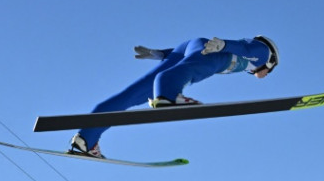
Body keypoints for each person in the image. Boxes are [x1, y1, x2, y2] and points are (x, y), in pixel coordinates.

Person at [69, 36, 279, 158]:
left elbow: (191, 50)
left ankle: (86, 139)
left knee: (131, 95)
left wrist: (159, 54)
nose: (264, 75)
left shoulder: (252, 60)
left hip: (187, 47)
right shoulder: (263, 53)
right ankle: (167, 96)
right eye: (269, 71)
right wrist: (223, 45)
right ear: (271, 62)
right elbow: (245, 47)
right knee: (193, 69)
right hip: (213, 52)